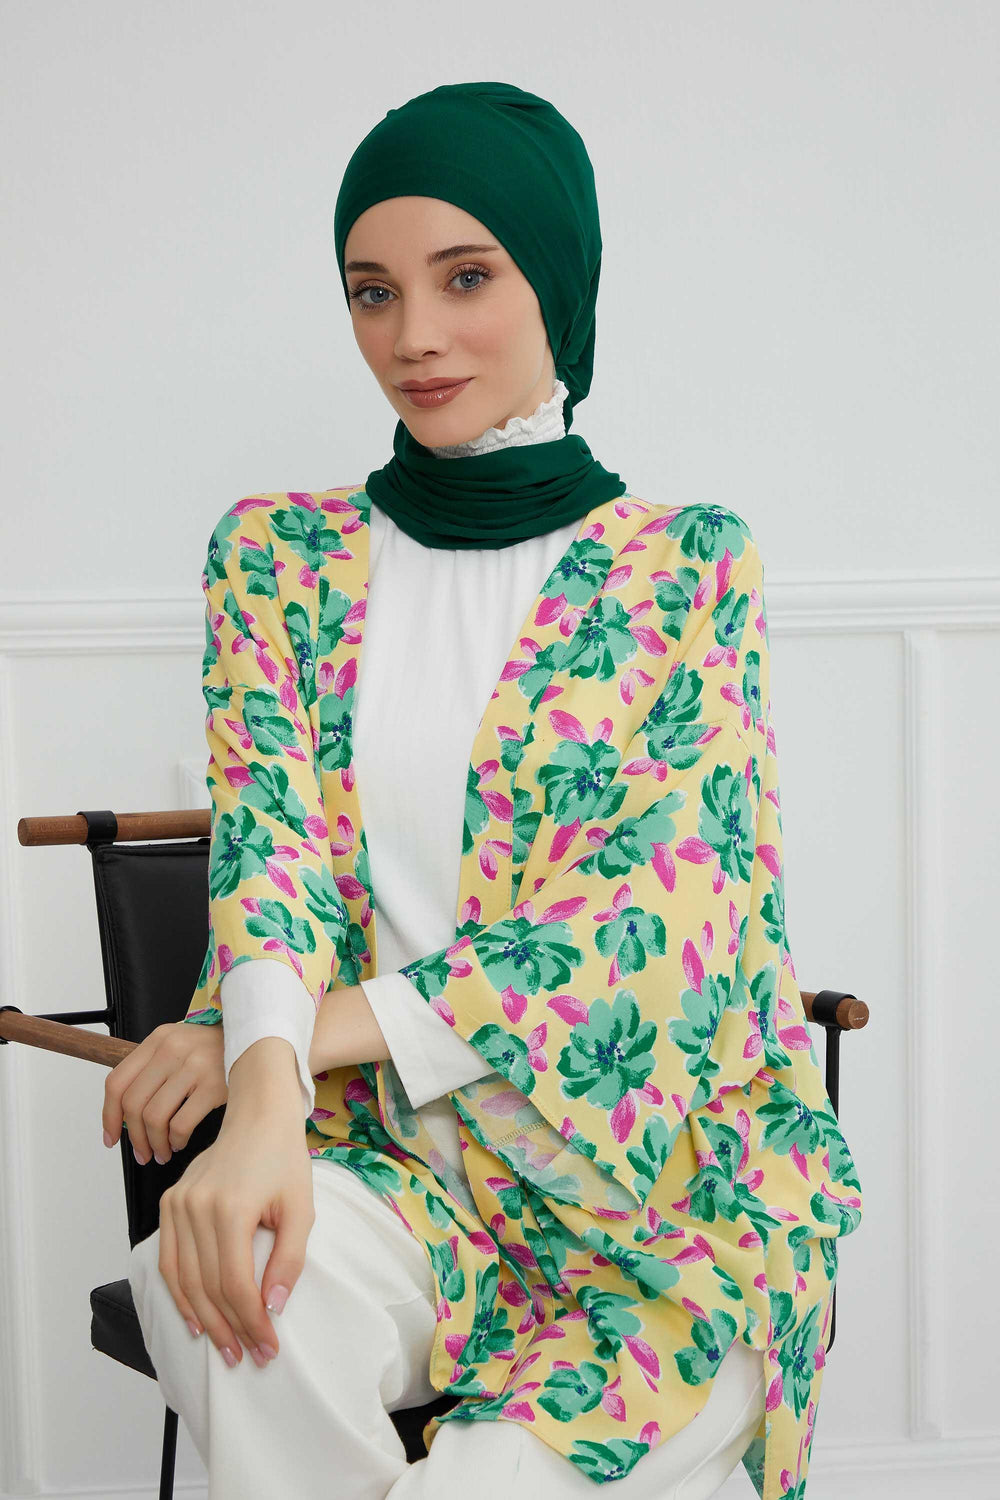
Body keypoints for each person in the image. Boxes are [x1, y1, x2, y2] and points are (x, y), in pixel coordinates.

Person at [118, 82, 863, 1500]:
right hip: (399, 1167)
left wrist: (270, 1042)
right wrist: (268, 1102)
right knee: (203, 1283)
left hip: (664, 1199)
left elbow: (644, 934)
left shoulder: (685, 566)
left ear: (559, 284)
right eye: (373, 290)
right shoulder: (275, 556)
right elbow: (270, 851)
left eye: (467, 277)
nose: (413, 335)